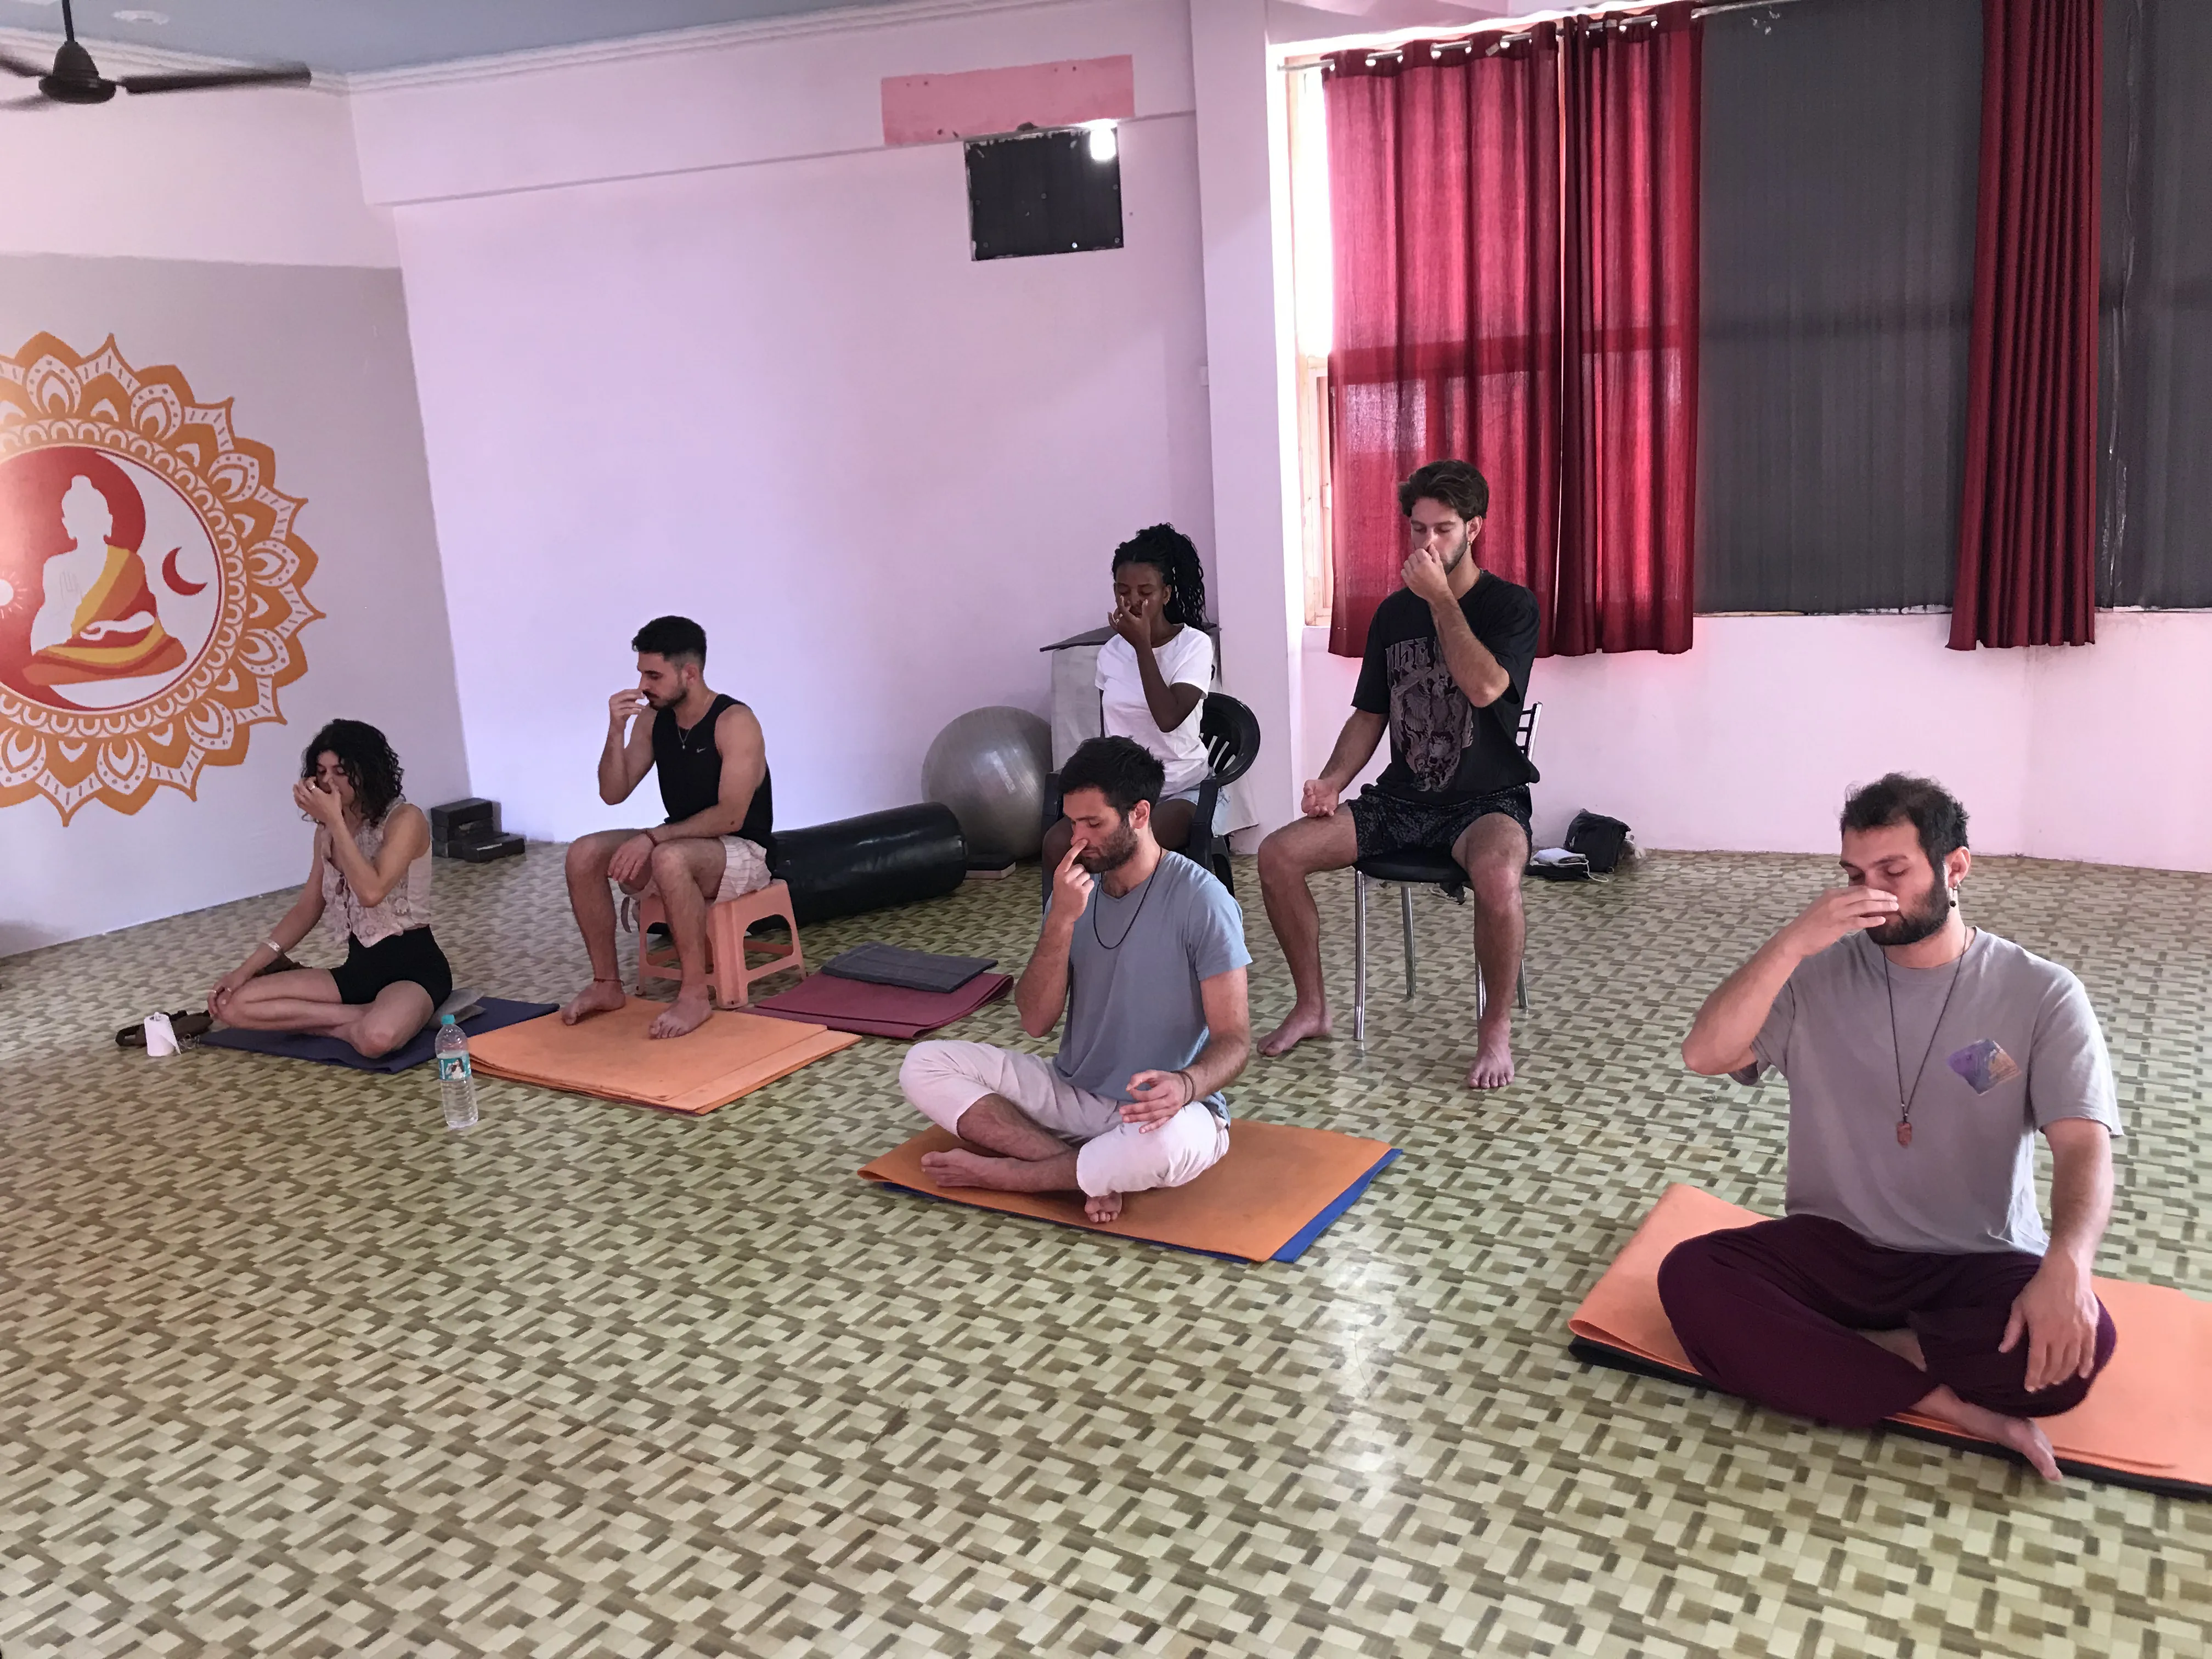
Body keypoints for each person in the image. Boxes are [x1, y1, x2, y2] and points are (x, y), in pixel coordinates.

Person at [1669, 774, 2121, 1482]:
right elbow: (1705, 1055)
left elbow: (2082, 1142)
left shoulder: (2042, 990)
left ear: (1956, 868)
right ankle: (1950, 1402)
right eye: (1854, 874)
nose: (1871, 893)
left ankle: (1848, 1354)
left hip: (1975, 1255)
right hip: (1837, 1246)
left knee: (2080, 1346)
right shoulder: (1816, 973)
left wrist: (2068, 1266)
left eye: (1894, 872)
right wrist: (1792, 943)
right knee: (1693, 1276)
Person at [1255, 459, 1539, 1088]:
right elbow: (1370, 715)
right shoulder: (1392, 614)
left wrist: (1441, 600)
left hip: (1487, 801)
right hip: (1403, 801)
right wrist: (1330, 779)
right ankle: (1313, 1007)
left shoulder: (1509, 606)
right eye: (1417, 531)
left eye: (1442, 530)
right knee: (1277, 855)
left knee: (1497, 877)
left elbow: (1489, 686)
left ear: (1475, 529)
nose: (1427, 545)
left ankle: (1493, 1029)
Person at [900, 736, 1252, 1223]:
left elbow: (1235, 1040)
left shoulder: (1203, 901)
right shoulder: (1073, 892)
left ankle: (1009, 1176)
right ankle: (1078, 1170)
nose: (1077, 839)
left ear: (1140, 814)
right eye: (1071, 822)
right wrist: (1061, 920)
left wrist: (1186, 1086)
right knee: (924, 1063)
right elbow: (1036, 1021)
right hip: (1073, 1093)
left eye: (1094, 823)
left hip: (1160, 1112)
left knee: (1170, 1146)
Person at [560, 616, 774, 1040]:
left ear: (689, 674)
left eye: (653, 675)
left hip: (742, 851)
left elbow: (732, 815)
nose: (642, 685)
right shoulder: (653, 720)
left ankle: (695, 995)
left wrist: (655, 836)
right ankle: (607, 985)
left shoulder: (735, 722)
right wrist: (615, 730)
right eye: (641, 673)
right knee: (583, 853)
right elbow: (612, 793)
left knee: (668, 856)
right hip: (680, 843)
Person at [206, 720, 452, 1058]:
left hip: (414, 971)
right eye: (321, 771)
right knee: (231, 1006)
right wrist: (244, 970)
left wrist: (336, 822)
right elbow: (308, 907)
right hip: (357, 972)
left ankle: (367, 1020)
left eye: (340, 771)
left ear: (367, 770)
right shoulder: (325, 832)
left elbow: (372, 892)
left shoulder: (405, 819)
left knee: (376, 1041)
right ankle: (356, 1019)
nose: (327, 781)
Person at [1042, 524, 1216, 873]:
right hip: (1123, 792)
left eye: (1145, 591)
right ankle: (1078, 923)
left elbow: (1168, 717)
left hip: (1181, 788)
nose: (1133, 601)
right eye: (1123, 591)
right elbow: (1114, 738)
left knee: (1129, 845)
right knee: (1057, 844)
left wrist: (1142, 646)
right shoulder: (1110, 653)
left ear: (1166, 594)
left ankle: (1135, 923)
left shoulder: (1193, 646)